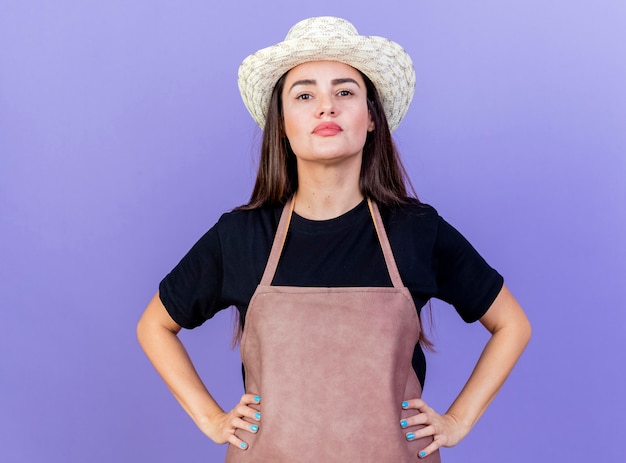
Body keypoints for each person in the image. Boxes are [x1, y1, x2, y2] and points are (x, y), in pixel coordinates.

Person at [137, 16, 531, 462]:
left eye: (345, 92)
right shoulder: (242, 236)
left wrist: (457, 421)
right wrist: (212, 419)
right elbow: (154, 325)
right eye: (304, 95)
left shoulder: (416, 230)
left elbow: (512, 324)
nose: (327, 107)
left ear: (371, 120)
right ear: (282, 126)